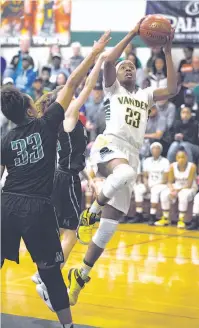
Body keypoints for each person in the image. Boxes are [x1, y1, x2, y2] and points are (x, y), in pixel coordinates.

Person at [1, 31, 111, 328]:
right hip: (36, 207)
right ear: (29, 109)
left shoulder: (4, 140)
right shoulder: (48, 124)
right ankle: (67, 325)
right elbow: (74, 82)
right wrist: (95, 53)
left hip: (6, 204)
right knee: (50, 270)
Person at [67, 19, 177, 306]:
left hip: (131, 152)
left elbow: (174, 89)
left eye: (131, 66)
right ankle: (91, 210)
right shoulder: (113, 88)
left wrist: (167, 51)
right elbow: (108, 59)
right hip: (109, 145)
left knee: (110, 226)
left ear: (137, 73)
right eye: (123, 66)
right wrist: (132, 33)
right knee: (124, 173)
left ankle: (81, 274)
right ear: (115, 75)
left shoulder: (145, 95)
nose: (127, 67)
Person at [32, 51, 109, 288]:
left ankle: (43, 272)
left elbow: (77, 156)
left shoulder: (59, 121)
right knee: (72, 233)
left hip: (59, 176)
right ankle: (49, 276)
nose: (73, 93)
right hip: (65, 180)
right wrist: (99, 61)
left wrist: (92, 179)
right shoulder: (69, 114)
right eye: (69, 92)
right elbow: (86, 85)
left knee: (60, 231)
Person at [156, 147, 197, 229]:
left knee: (183, 195)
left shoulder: (192, 166)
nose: (181, 159)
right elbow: (170, 182)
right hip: (177, 186)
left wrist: (176, 191)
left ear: (187, 158)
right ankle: (165, 218)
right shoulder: (172, 166)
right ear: (176, 158)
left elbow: (189, 185)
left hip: (190, 187)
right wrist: (171, 189)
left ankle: (181, 220)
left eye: (183, 157)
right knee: (164, 194)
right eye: (178, 157)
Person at [133, 142, 169, 225]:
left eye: (157, 148)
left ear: (160, 150)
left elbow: (165, 179)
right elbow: (145, 176)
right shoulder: (147, 161)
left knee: (155, 190)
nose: (155, 150)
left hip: (161, 184)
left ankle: (152, 216)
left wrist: (153, 186)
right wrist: (146, 184)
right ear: (151, 150)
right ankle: (139, 214)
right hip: (149, 184)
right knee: (138, 188)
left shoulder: (165, 161)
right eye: (154, 148)